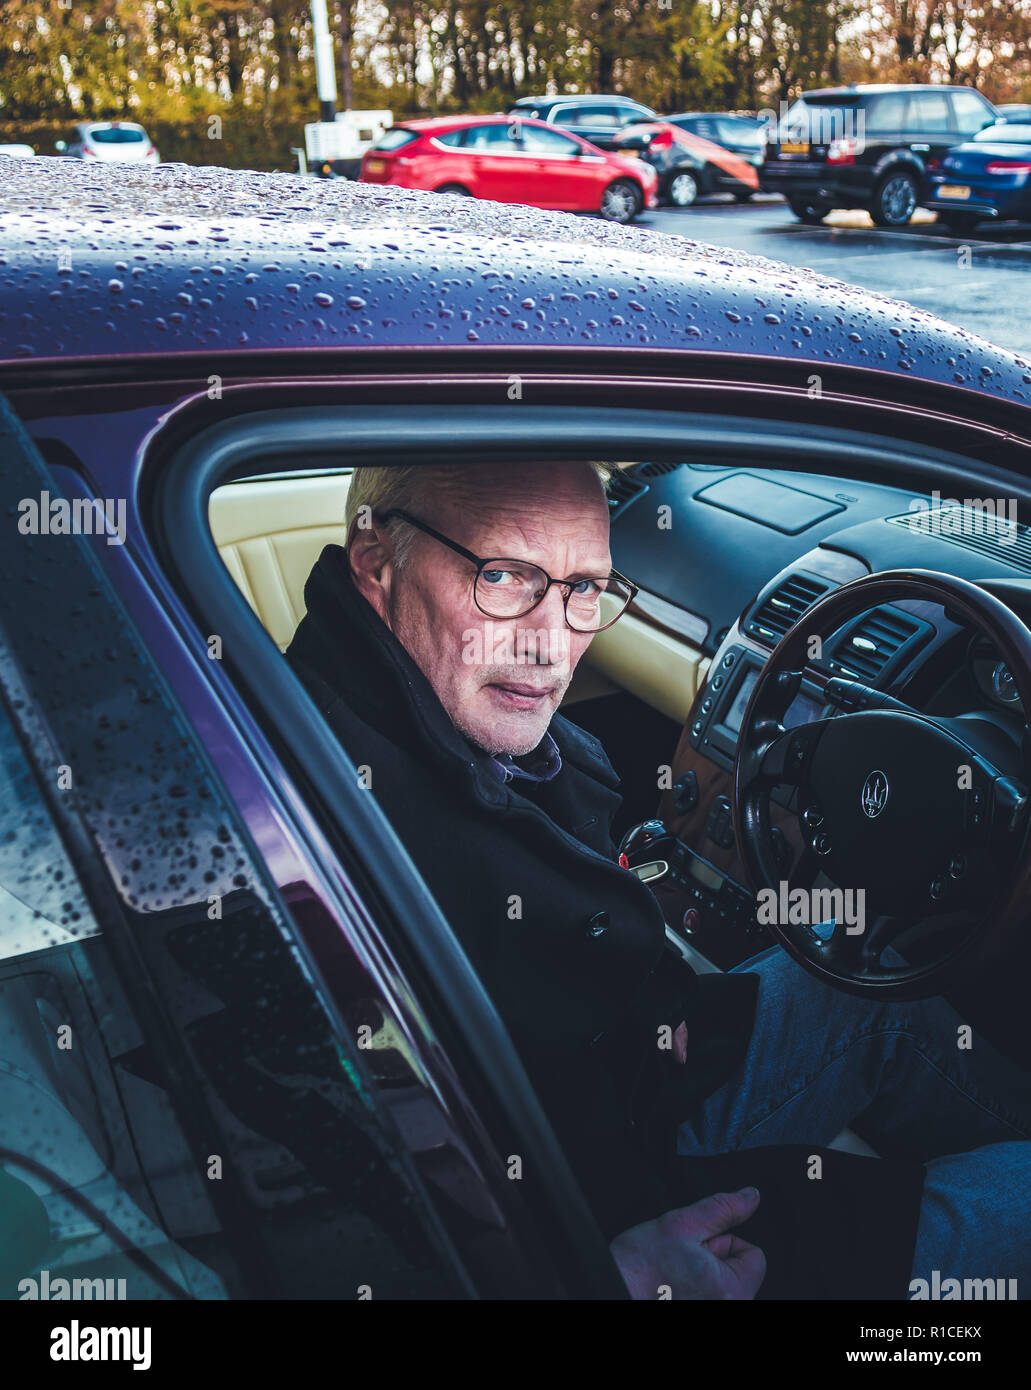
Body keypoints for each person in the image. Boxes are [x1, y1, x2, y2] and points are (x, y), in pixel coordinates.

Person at [285, 458, 1031, 1299]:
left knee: (874, 991)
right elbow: (279, 1198)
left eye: (584, 588)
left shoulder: (381, 716)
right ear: (373, 562)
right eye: (503, 576)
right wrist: (609, 1278)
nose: (551, 640)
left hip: (630, 1076)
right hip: (592, 1219)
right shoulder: (295, 819)